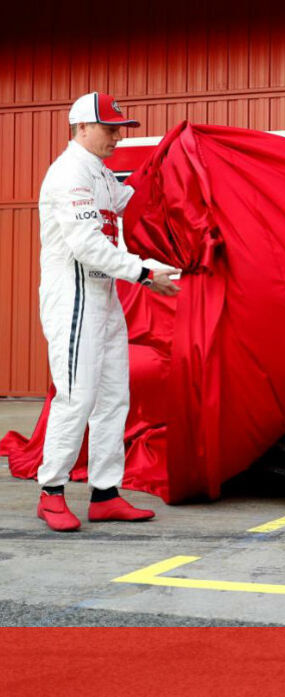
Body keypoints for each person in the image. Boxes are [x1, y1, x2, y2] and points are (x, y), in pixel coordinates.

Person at [35, 91, 180, 532]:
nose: (117, 137)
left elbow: (132, 199)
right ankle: (51, 492)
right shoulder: (69, 174)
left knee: (115, 397)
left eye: (120, 129)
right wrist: (143, 274)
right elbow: (86, 245)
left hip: (102, 293)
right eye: (110, 129)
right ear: (82, 127)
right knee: (76, 396)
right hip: (74, 296)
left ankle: (105, 494)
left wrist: (175, 162)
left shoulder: (98, 171)